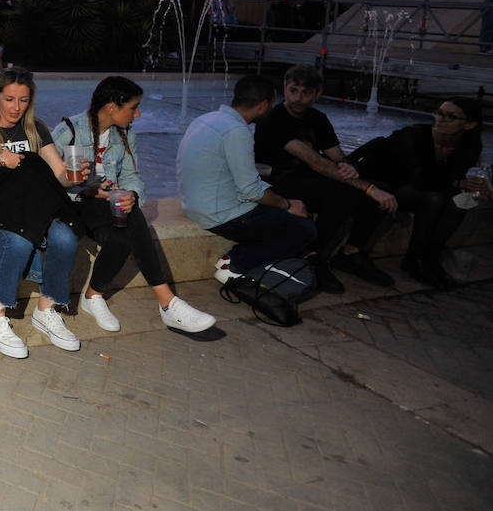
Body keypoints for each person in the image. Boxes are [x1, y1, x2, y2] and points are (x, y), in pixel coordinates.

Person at [49, 77, 216, 334]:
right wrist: (92, 191)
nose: (137, 114)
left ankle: (93, 297)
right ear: (112, 107)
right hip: (74, 205)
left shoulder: (125, 134)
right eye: (133, 107)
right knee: (131, 222)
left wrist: (132, 195)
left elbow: (132, 176)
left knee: (124, 232)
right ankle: (167, 302)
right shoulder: (68, 130)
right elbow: (48, 182)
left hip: (104, 206)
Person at [0, 69, 85, 355]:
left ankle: (47, 310)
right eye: (9, 99)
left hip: (28, 208)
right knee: (17, 240)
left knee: (65, 237)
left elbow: (59, 173)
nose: (16, 107)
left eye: (23, 100)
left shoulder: (35, 128)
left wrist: (75, 177)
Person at [254, 65, 398, 292]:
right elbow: (317, 162)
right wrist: (367, 188)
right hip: (278, 182)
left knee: (383, 189)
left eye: (305, 92)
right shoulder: (273, 119)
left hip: (313, 179)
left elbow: (337, 157)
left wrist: (348, 168)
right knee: (345, 193)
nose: (298, 98)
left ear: (317, 94)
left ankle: (352, 252)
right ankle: (313, 257)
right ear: (285, 88)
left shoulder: (317, 118)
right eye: (293, 91)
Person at [178, 75, 315, 282]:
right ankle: (235, 264)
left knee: (276, 205)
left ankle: (245, 258)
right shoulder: (236, 130)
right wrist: (287, 205)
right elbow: (251, 191)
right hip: (220, 216)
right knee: (305, 228)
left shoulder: (206, 118)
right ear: (263, 105)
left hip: (195, 206)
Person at [351, 98, 489, 287]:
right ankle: (413, 259)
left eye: (451, 116)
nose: (441, 119)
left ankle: (431, 257)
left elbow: (453, 178)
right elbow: (420, 179)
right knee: (434, 198)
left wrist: (478, 189)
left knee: (463, 201)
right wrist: (458, 183)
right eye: (439, 113)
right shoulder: (414, 135)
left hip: (423, 190)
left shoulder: (469, 146)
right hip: (389, 186)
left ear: (470, 124)